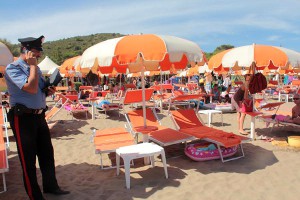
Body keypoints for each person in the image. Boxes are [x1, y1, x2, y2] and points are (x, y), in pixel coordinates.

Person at [5, 36, 69, 200]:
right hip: (22, 118)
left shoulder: (36, 69)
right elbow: (31, 88)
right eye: (36, 52)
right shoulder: (12, 68)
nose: (39, 55)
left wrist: (48, 89)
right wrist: (32, 67)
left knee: (47, 154)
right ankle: (35, 195)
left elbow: (39, 90)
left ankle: (50, 186)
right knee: (28, 159)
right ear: (26, 51)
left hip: (39, 116)